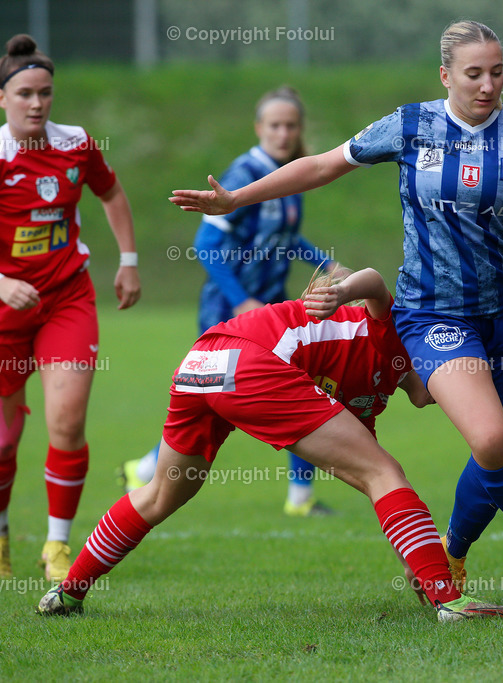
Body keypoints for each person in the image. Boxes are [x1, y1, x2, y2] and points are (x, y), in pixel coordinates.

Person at [170, 20, 503, 590]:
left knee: (497, 459)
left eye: (497, 73)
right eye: (474, 74)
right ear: (445, 74)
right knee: (491, 440)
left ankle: (450, 554)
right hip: (431, 313)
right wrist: (236, 198)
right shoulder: (411, 125)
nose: (488, 86)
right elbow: (324, 164)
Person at [37, 267, 503, 622]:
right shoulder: (402, 330)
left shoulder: (373, 395)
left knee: (162, 493)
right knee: (384, 471)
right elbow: (374, 280)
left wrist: (418, 563)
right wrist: (341, 290)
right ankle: (450, 602)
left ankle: (69, 591)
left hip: (203, 362)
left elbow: (369, 479)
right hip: (250, 362)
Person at [0, 34, 142, 583]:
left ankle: (56, 545)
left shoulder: (76, 144)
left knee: (67, 423)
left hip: (66, 299)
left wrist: (128, 259)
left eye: (45, 93)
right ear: (1, 98)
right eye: (25, 93)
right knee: (1, 440)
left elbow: (112, 193)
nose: (36, 103)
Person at [120, 86, 347, 518]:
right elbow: (206, 243)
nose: (283, 133)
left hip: (272, 306)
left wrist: (326, 264)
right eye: (275, 125)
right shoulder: (244, 173)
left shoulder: (290, 174)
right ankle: (148, 468)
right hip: (230, 310)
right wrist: (241, 300)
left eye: (291, 125)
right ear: (259, 128)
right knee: (215, 404)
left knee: (305, 385)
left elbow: (285, 235)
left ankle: (300, 497)